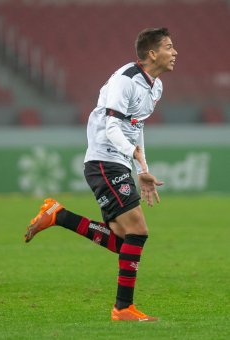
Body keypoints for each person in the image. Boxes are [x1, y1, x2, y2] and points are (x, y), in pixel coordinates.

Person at [24, 28, 177, 321]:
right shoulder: (125, 81)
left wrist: (142, 169)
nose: (175, 52)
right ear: (152, 54)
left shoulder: (155, 87)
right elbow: (111, 127)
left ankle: (58, 215)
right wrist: (132, 155)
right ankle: (122, 309)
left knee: (124, 242)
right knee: (138, 232)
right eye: (169, 47)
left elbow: (136, 127)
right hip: (103, 161)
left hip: (118, 162)